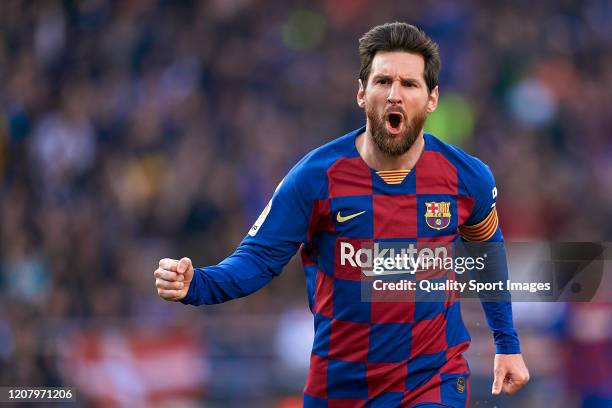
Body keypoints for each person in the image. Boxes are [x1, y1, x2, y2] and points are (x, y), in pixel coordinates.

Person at [153, 22, 529, 407]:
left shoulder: (466, 177)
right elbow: (258, 260)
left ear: (432, 99)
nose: (395, 95)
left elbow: (488, 257)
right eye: (383, 82)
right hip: (340, 387)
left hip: (432, 380)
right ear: (362, 94)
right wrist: (196, 284)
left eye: (410, 84)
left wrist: (507, 343)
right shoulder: (316, 177)